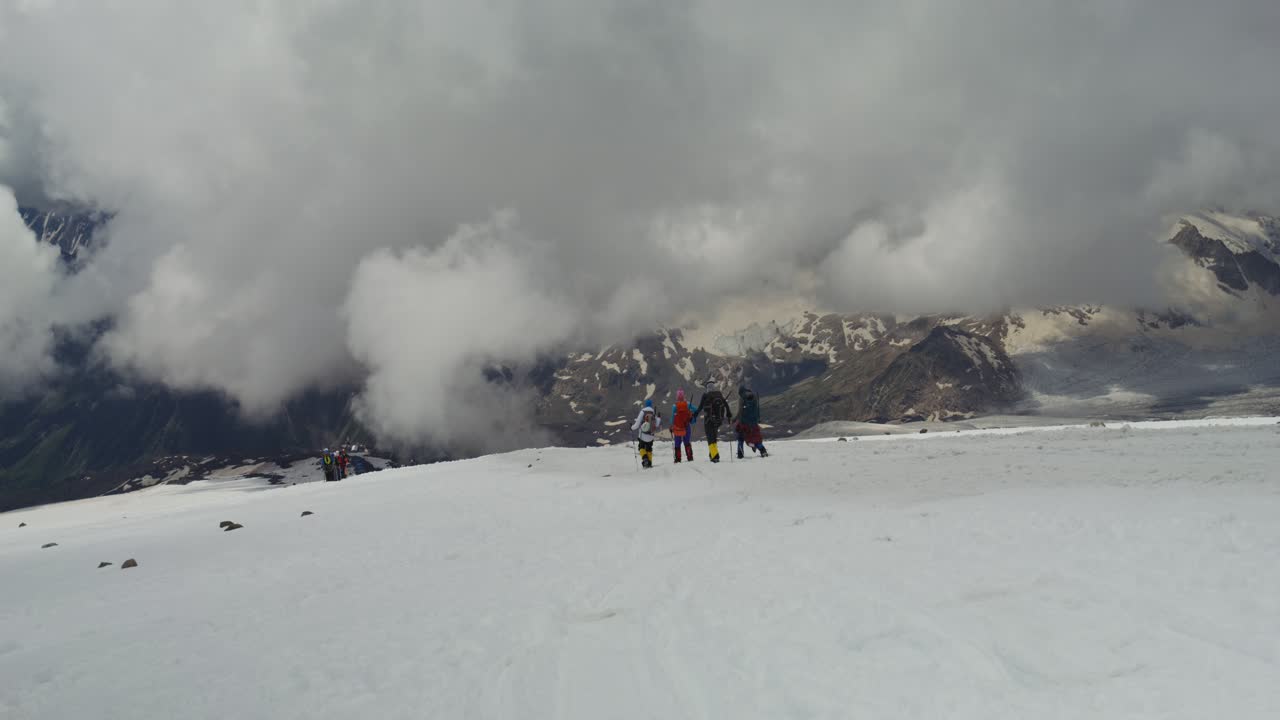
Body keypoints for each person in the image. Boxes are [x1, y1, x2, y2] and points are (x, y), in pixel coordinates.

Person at [694, 378, 733, 463]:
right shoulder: (719, 394)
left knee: (710, 439)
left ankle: (715, 456)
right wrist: (728, 414)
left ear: (707, 387)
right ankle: (712, 454)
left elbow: (700, 408)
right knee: (714, 438)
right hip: (718, 420)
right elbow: (725, 404)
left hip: (708, 420)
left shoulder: (705, 395)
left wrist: (694, 416)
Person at [735, 385, 769, 459]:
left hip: (743, 422)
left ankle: (740, 454)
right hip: (754, 422)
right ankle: (763, 450)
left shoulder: (742, 398)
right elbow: (757, 409)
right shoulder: (754, 396)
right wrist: (758, 419)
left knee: (740, 437)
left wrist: (735, 419)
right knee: (755, 437)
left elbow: (740, 411)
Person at [631, 399, 661, 469]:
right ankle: (649, 463)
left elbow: (637, 423)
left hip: (643, 435)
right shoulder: (653, 412)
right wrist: (659, 418)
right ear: (651, 405)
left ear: (646, 404)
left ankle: (645, 459)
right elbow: (656, 424)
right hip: (651, 435)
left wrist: (632, 428)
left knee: (641, 447)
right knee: (649, 449)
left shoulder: (643, 411)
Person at [670, 389, 697, 463]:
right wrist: (691, 415)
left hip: (677, 427)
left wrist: (671, 426)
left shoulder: (675, 406)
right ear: (683, 396)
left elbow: (672, 417)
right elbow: (696, 409)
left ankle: (678, 459)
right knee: (687, 442)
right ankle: (689, 457)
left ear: (677, 396)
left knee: (677, 443)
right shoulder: (688, 404)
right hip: (686, 426)